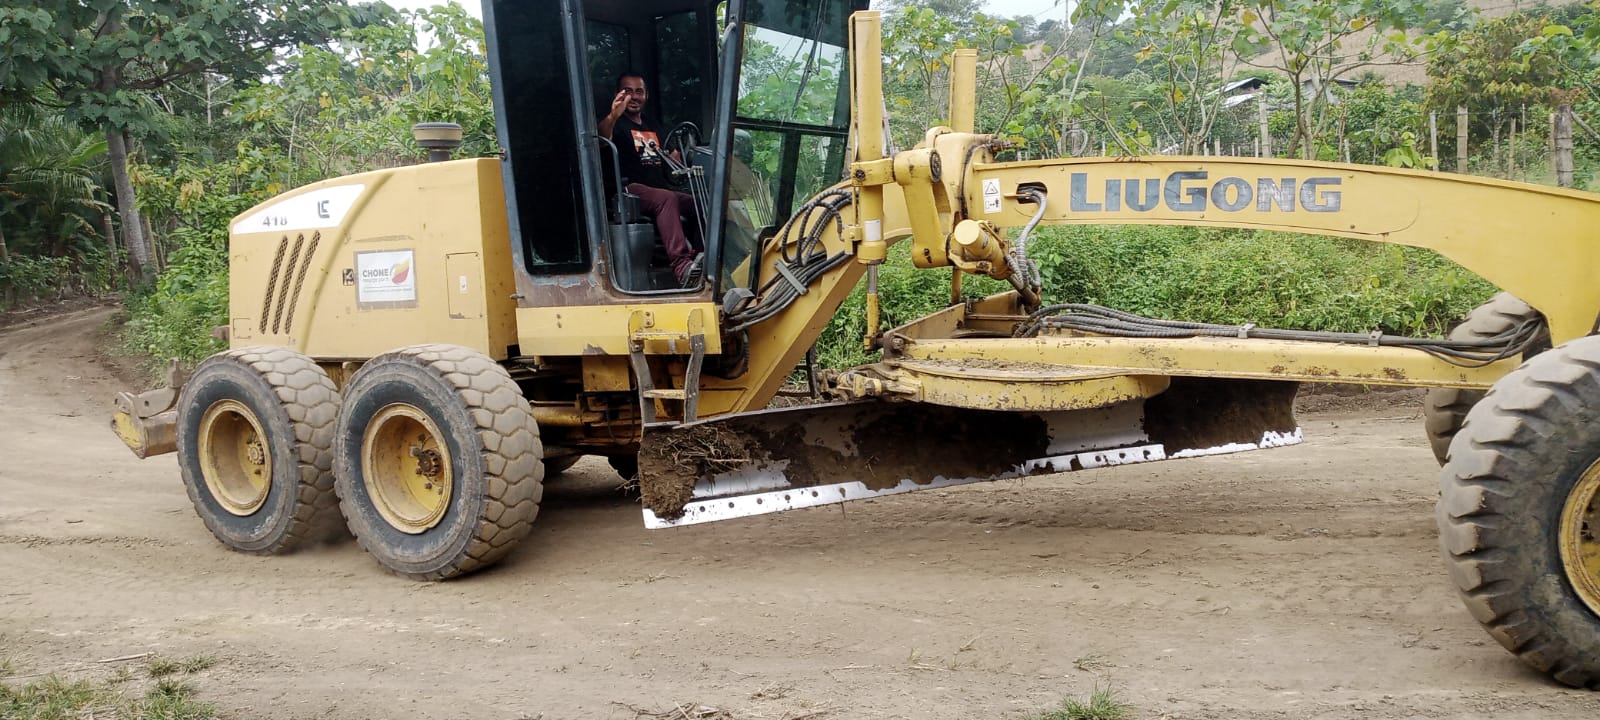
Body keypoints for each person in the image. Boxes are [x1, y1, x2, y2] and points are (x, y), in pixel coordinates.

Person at [599, 71, 703, 288]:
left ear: (646, 95)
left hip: (658, 189)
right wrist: (613, 115)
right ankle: (681, 266)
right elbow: (601, 139)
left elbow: (666, 156)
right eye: (628, 91)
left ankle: (702, 258)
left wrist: (676, 158)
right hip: (628, 189)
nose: (634, 96)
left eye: (639, 91)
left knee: (700, 202)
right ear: (619, 94)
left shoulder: (651, 124)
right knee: (666, 198)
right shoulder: (615, 122)